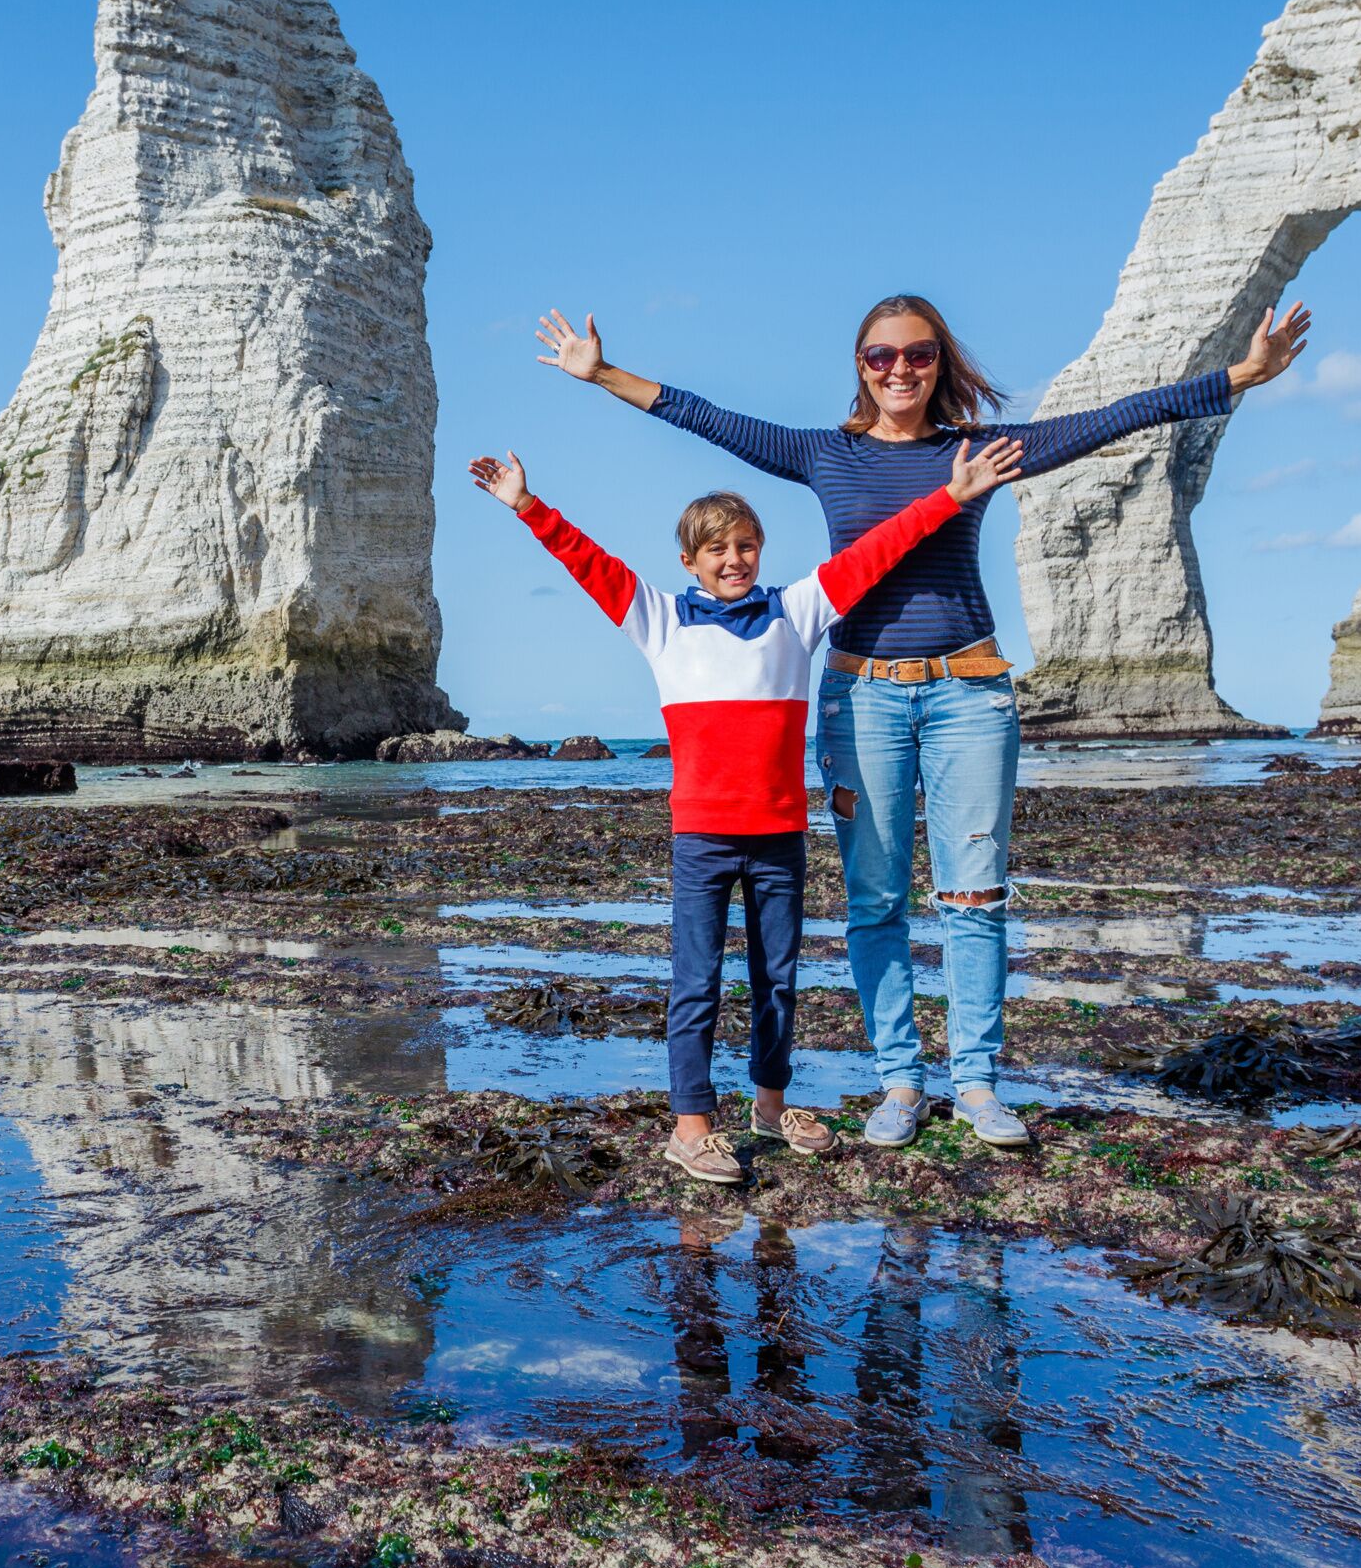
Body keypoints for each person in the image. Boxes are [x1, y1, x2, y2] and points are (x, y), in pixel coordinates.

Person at [535, 294, 1311, 1152]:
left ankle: (976, 1082)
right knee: (874, 900)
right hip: (859, 693)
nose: (899, 369)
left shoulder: (976, 450)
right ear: (860, 366)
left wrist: (1239, 375)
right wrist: (599, 372)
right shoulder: (823, 453)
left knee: (974, 896)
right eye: (880, 356)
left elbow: (1112, 420)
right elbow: (704, 417)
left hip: (970, 690)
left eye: (918, 355)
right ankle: (900, 1081)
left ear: (941, 363)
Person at [468, 433, 1024, 1184]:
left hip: (778, 840)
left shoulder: (797, 613)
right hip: (701, 839)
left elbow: (878, 551)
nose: (735, 559)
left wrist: (949, 499)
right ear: (689, 561)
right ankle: (691, 1126)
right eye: (717, 549)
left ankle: (769, 1107)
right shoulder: (660, 620)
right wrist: (527, 504)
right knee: (696, 981)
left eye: (747, 545)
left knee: (779, 980)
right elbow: (589, 565)